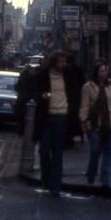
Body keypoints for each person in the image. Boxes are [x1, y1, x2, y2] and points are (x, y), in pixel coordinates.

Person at [33, 51, 80, 197]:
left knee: (58, 153)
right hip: (47, 116)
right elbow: (34, 91)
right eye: (60, 62)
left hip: (61, 116)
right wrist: (43, 95)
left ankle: (56, 187)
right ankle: (46, 180)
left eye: (64, 61)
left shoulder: (68, 75)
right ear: (54, 62)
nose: (63, 64)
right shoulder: (43, 75)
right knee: (44, 151)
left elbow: (74, 93)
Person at [79, 60, 111, 195]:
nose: (104, 73)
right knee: (95, 151)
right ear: (96, 72)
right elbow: (84, 106)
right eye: (102, 70)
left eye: (106, 70)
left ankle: (105, 182)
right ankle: (91, 175)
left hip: (109, 123)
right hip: (95, 124)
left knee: (108, 152)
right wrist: (83, 122)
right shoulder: (88, 87)